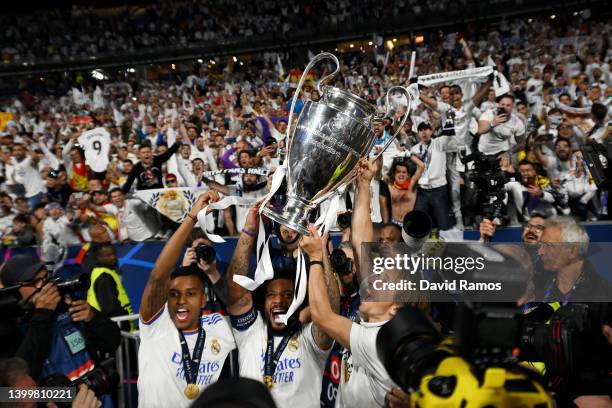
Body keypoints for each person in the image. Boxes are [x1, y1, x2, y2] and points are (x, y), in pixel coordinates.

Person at [226, 201, 337, 407]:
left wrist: (319, 253)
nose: (279, 300)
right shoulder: (250, 331)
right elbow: (236, 289)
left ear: (298, 301)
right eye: (272, 295)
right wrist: (250, 229)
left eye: (288, 295)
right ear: (263, 301)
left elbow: (329, 310)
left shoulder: (310, 340)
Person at [137, 191, 236, 408]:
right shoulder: (156, 324)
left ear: (203, 299)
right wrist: (191, 218)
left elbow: (241, 305)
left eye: (191, 293)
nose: (181, 300)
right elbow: (158, 277)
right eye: (174, 294)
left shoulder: (219, 326)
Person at [0, 254, 121, 381]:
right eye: (35, 282)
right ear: (16, 290)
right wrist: (42, 316)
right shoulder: (8, 329)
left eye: (46, 278)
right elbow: (12, 390)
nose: (46, 286)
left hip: (95, 396)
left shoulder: (68, 304)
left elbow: (112, 343)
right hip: (55, 399)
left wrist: (93, 318)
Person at [410, 122, 456, 231]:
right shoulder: (414, 149)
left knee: (445, 225)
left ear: (431, 131)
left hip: (439, 189)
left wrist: (448, 118)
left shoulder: (439, 143)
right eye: (421, 130)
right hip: (422, 190)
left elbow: (450, 135)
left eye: (426, 129)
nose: (424, 132)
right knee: (417, 222)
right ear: (418, 133)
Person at [87, 243, 135, 328]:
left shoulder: (101, 272)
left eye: (114, 254)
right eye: (108, 255)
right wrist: (124, 325)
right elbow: (110, 309)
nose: (113, 257)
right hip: (118, 327)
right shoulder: (104, 276)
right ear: (99, 257)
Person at [387, 156, 424, 227]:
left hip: (408, 224)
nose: (401, 174)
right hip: (392, 222)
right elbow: (378, 175)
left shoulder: (411, 185)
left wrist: (409, 154)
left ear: (408, 175)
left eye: (404, 172)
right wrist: (395, 153)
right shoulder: (389, 187)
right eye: (398, 172)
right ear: (394, 174)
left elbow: (421, 166)